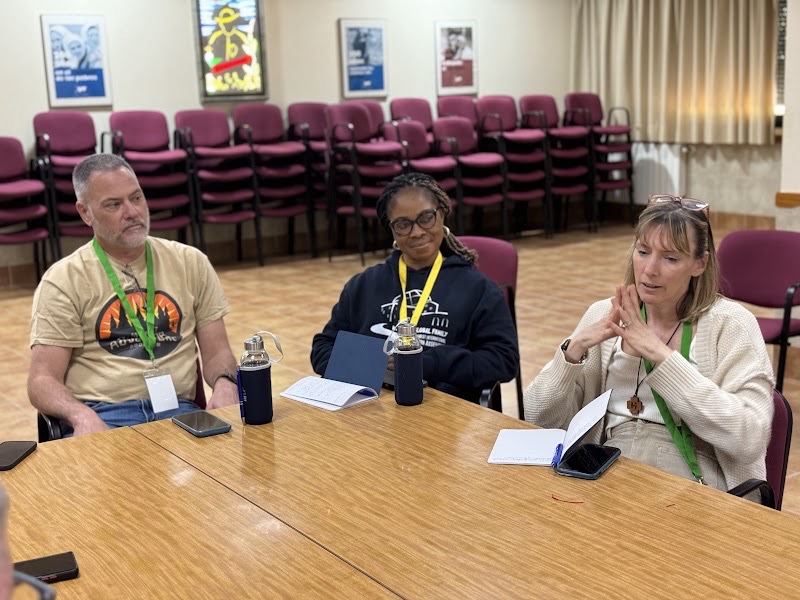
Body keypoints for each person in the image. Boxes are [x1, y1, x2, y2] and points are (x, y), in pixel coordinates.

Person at [524, 195, 774, 494]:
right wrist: (572, 353)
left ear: (700, 264)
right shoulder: (604, 313)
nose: (650, 269)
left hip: (696, 476)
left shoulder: (731, 324)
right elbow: (537, 418)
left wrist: (660, 355)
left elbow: (749, 439)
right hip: (606, 465)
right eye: (643, 252)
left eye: (670, 258)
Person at [28, 154, 240, 437]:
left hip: (180, 410)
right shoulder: (63, 280)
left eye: (136, 198)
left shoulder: (191, 262)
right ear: (85, 213)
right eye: (114, 204)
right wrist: (80, 416)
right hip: (105, 416)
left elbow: (218, 352)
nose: (132, 212)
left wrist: (226, 383)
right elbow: (42, 381)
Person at [311, 172, 519, 403]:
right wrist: (369, 363)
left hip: (442, 411)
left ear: (442, 215)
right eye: (403, 224)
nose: (417, 232)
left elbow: (504, 361)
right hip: (371, 408)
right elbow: (322, 349)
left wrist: (427, 363)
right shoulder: (363, 285)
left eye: (426, 218)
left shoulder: (478, 289)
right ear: (391, 230)